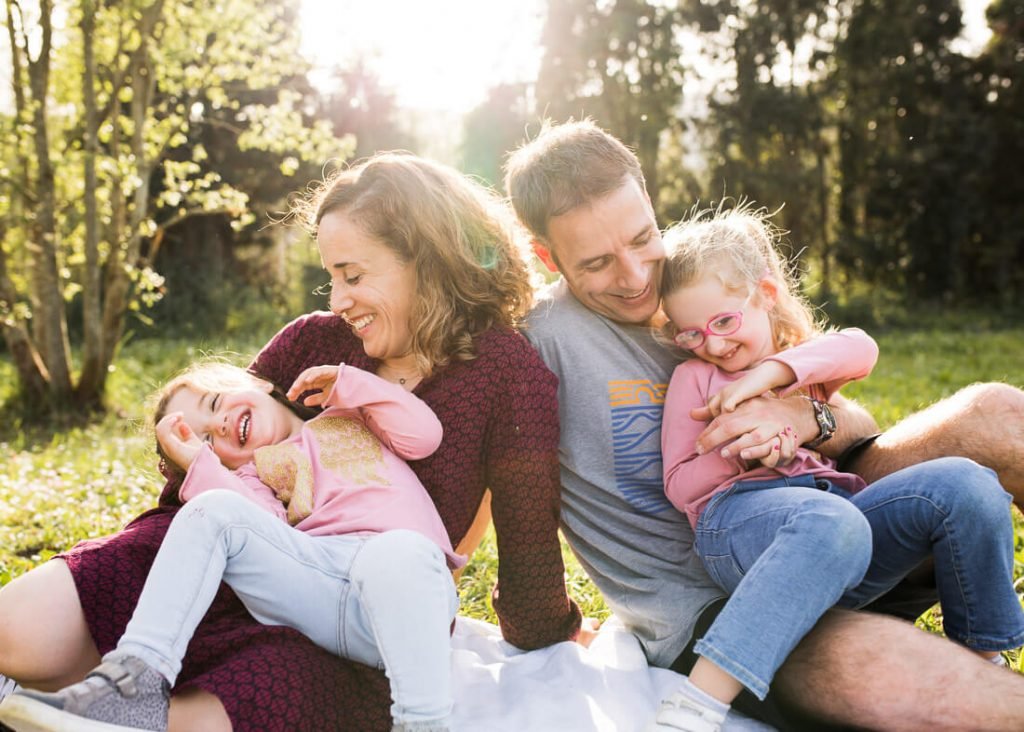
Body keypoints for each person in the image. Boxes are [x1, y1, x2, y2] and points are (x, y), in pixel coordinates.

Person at [0, 152, 581, 731]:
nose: (337, 299)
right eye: (332, 276)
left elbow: (528, 549)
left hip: (355, 625)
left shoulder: (506, 373)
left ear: (428, 260)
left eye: (353, 276)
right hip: (259, 568)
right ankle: (119, 687)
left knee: (264, 687)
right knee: (16, 634)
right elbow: (208, 481)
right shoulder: (311, 342)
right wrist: (185, 466)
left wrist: (550, 633)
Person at [506, 117, 1024, 731]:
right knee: (942, 693)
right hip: (716, 606)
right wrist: (543, 620)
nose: (636, 275)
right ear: (549, 256)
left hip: (839, 516)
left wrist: (802, 413)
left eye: (642, 238)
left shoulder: (705, 280)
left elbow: (856, 428)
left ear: (649, 201)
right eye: (596, 263)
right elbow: (498, 484)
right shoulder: (539, 343)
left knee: (997, 412)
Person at [652, 205, 1024, 731]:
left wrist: (778, 377)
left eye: (724, 322)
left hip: (837, 525)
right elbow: (679, 484)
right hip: (737, 524)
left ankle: (984, 659)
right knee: (832, 521)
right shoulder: (696, 378)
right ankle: (695, 703)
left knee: (969, 483)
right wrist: (740, 452)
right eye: (689, 333)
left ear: (765, 296)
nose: (712, 344)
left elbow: (861, 347)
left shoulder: (800, 364)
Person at [1, 360, 465, 732]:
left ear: (260, 384)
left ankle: (423, 723)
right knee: (213, 510)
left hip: (410, 600)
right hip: (327, 592)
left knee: (397, 553)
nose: (219, 424)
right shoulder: (250, 480)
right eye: (205, 438)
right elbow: (257, 530)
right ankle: (132, 682)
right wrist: (200, 465)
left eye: (216, 402)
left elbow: (425, 435)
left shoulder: (348, 415)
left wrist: (351, 383)